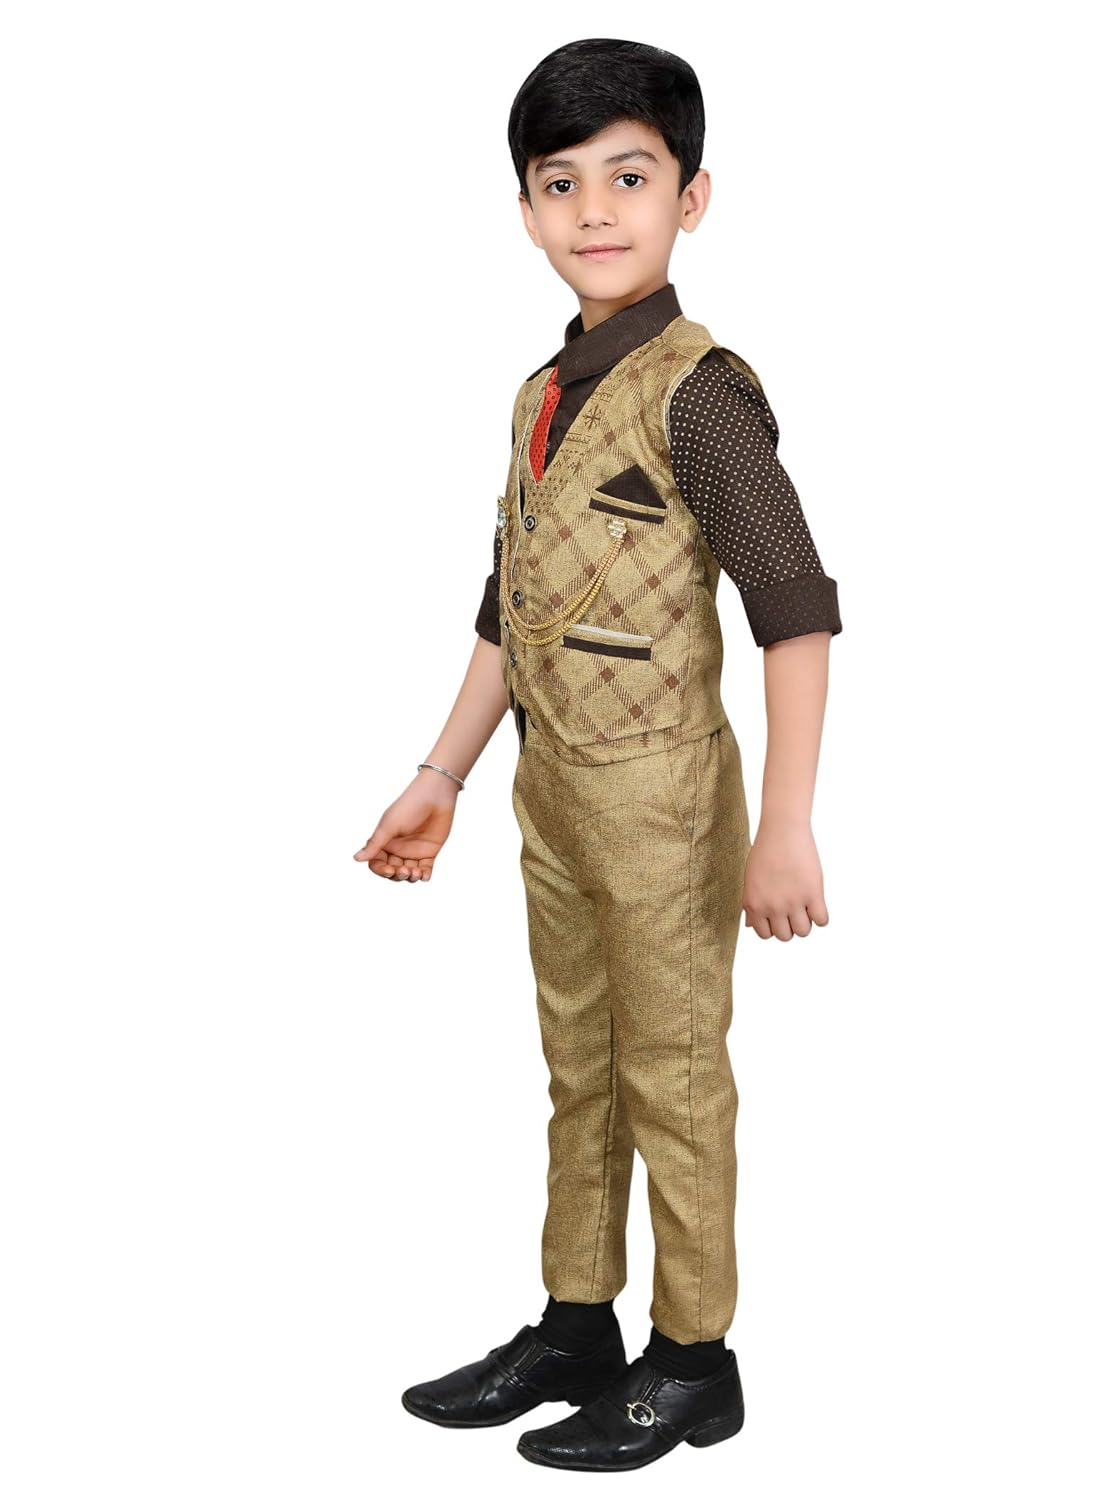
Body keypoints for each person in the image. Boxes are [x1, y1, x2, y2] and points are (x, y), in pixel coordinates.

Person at [354, 37, 843, 1473]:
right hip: (551, 791)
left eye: (630, 176)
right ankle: (579, 1323)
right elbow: (508, 602)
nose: (594, 210)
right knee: (581, 1063)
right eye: (559, 183)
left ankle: (694, 1357)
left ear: (692, 197)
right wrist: (440, 775)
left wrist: (788, 824)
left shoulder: (703, 393)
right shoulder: (538, 396)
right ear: (524, 211)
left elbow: (794, 608)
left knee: (674, 1074)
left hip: (664, 794)